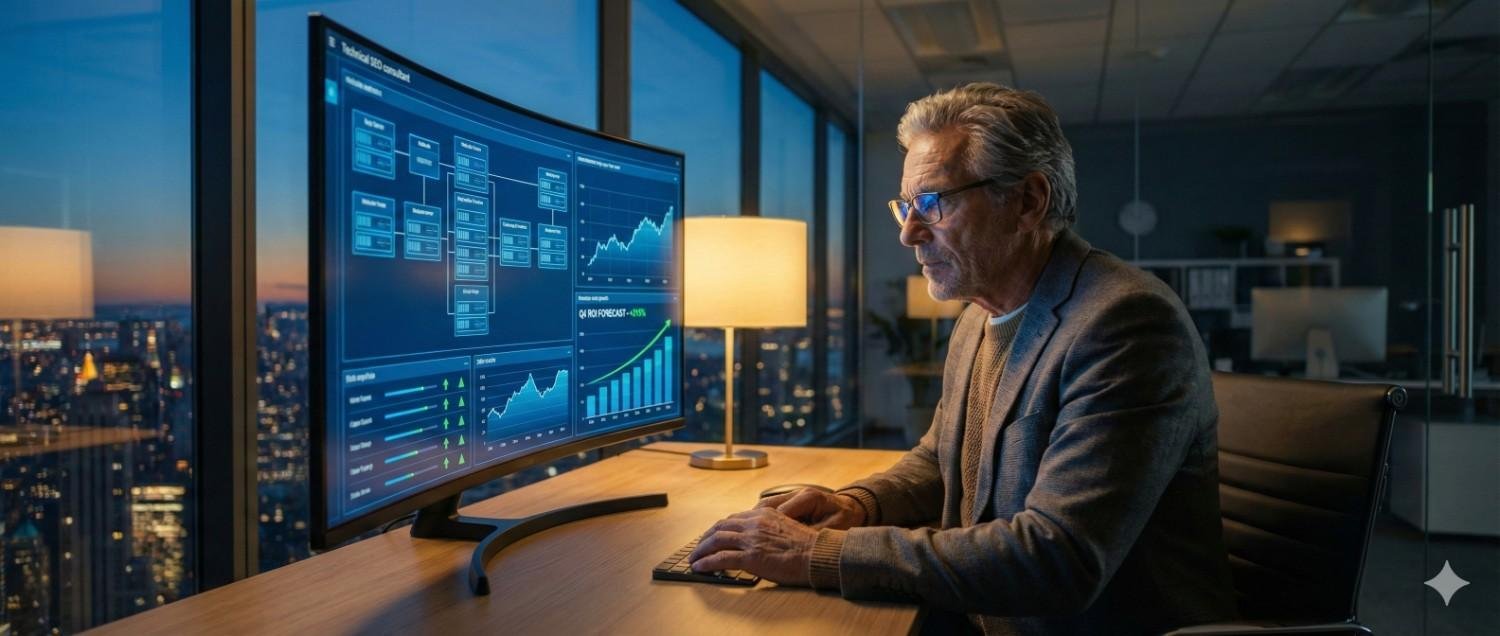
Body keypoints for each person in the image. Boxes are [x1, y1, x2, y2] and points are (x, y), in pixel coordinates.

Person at [687, 83, 1236, 634]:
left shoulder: (1125, 323)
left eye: (932, 203)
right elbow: (940, 459)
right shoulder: (981, 311)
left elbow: (1058, 559)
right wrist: (858, 504)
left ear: (1028, 201)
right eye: (905, 205)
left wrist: (823, 553)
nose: (908, 232)